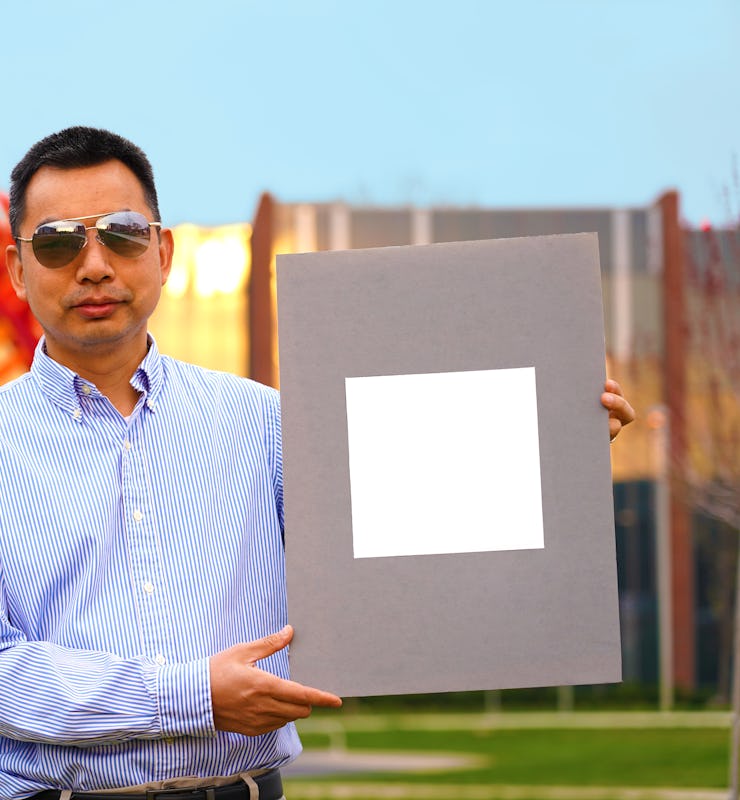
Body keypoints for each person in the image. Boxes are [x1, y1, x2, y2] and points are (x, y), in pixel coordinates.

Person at [1, 126, 635, 800]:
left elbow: (404, 516)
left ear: (162, 251)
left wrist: (550, 444)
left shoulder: (267, 421)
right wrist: (193, 696)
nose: (94, 265)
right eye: (60, 241)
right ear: (16, 267)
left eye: (121, 234)